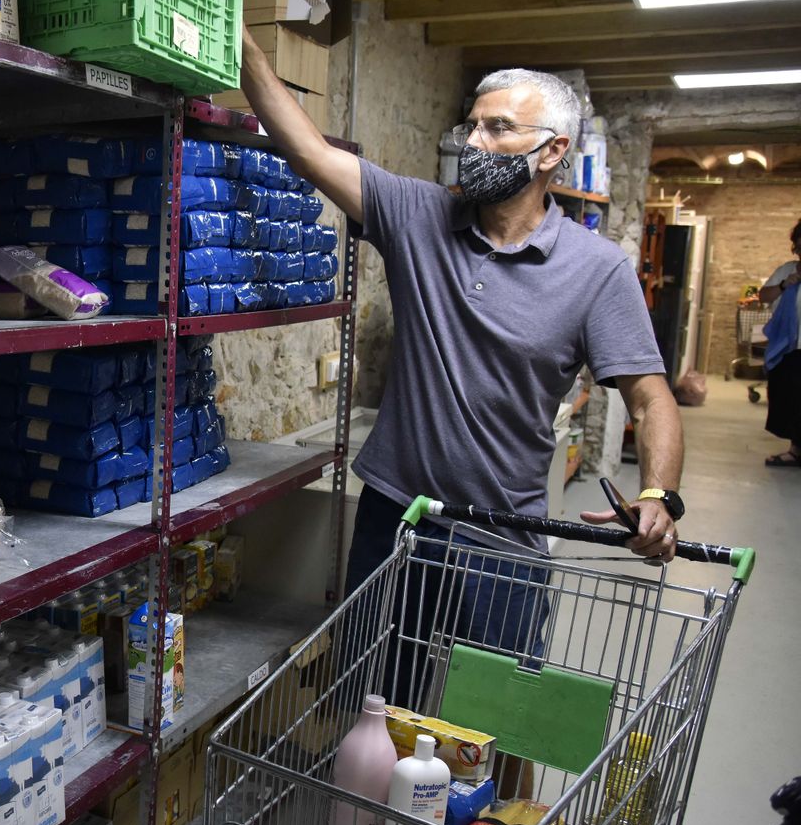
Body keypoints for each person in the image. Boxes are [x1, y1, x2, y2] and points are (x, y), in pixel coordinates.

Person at [238, 35, 685, 713]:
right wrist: (245, 44)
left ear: (554, 151)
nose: (473, 141)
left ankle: (504, 823)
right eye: (471, 125)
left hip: (502, 534)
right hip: (398, 517)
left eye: (497, 128)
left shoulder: (598, 272)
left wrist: (658, 493)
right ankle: (370, 817)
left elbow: (651, 401)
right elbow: (308, 149)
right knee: (371, 699)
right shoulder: (419, 216)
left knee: (500, 720)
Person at [759, 218, 801, 467]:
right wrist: (786, 284)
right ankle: (796, 449)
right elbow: (763, 295)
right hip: (792, 350)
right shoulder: (787, 270)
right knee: (791, 398)